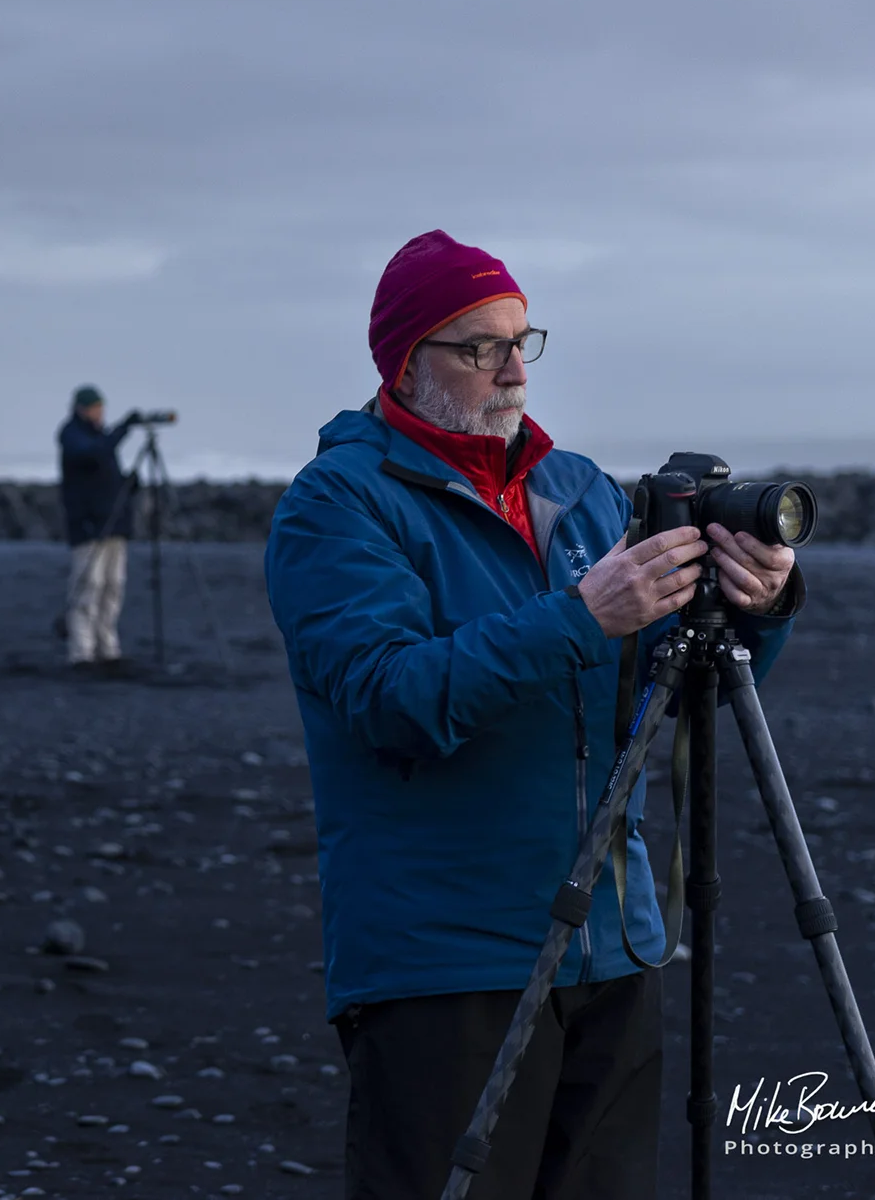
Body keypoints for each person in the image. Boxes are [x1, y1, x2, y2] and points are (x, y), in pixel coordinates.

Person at [263, 231, 802, 1199]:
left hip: (610, 937)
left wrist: (751, 614)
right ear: (402, 360)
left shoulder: (577, 491)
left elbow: (665, 697)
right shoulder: (336, 506)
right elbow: (388, 701)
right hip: (444, 956)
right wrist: (577, 616)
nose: (513, 370)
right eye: (478, 347)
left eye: (521, 340)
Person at [57, 385, 142, 669]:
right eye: (95, 408)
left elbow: (105, 470)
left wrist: (127, 486)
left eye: (101, 408)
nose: (98, 413)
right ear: (81, 409)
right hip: (89, 525)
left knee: (113, 585)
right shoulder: (72, 436)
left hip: (113, 524)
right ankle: (82, 650)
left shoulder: (100, 438)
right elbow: (92, 456)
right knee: (88, 586)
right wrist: (123, 429)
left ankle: (107, 647)